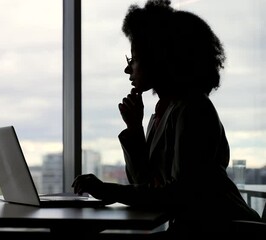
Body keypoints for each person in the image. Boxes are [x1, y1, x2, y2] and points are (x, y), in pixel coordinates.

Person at [72, 0, 261, 237]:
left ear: (157, 59)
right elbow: (147, 183)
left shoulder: (193, 109)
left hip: (226, 232)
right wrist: (135, 129)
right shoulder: (167, 111)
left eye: (134, 60)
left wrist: (109, 190)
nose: (128, 70)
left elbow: (179, 195)